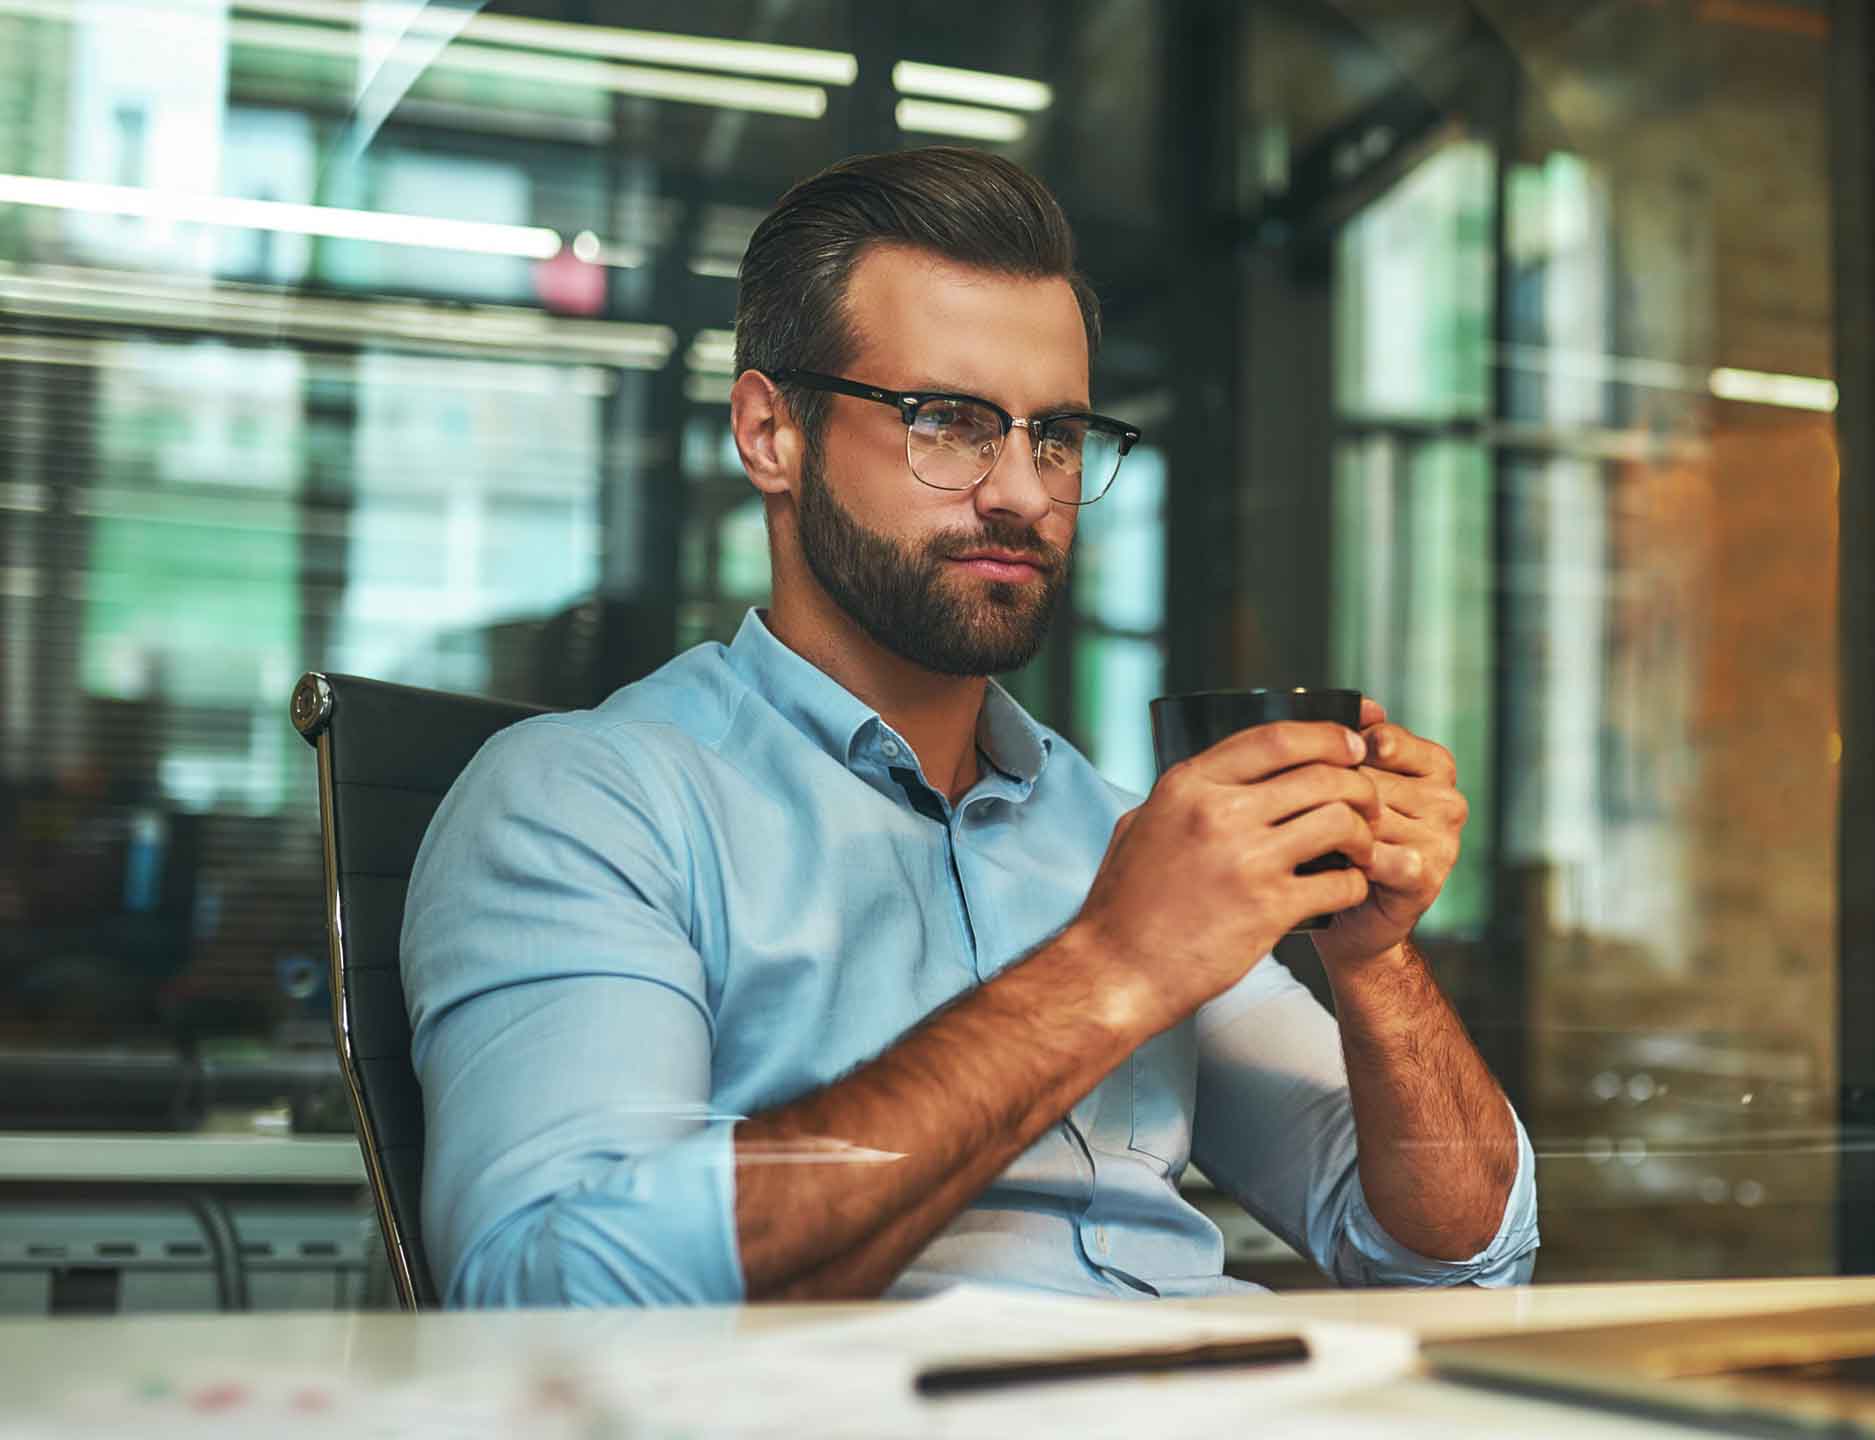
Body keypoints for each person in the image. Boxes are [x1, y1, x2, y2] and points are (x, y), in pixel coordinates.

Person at [404, 147, 1538, 1306]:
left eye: (1054, 434)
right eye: (946, 422)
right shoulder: (588, 801)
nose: (1025, 492)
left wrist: (1371, 954)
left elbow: (1454, 1256)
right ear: (768, 433)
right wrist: (1109, 967)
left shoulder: (1120, 833)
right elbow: (554, 1295)